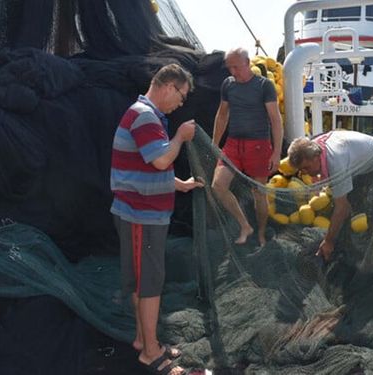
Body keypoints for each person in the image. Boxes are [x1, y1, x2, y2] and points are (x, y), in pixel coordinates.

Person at [110, 63, 203, 375]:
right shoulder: (145, 116)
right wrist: (180, 136)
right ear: (169, 86)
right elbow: (163, 158)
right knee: (148, 284)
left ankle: (142, 339)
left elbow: (150, 165)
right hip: (141, 218)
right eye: (181, 96)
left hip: (145, 216)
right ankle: (150, 353)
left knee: (143, 279)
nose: (180, 103)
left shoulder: (148, 115)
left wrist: (181, 185)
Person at [211, 47, 283, 246]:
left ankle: (260, 233)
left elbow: (275, 120)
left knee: (259, 193)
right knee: (218, 185)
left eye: (237, 67)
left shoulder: (264, 86)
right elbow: (222, 115)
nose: (233, 72)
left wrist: (276, 152)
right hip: (233, 144)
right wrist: (214, 144)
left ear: (248, 62)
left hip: (259, 145)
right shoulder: (228, 84)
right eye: (230, 68)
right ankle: (245, 225)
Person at [287, 130, 373, 262]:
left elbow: (342, 208)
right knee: (350, 202)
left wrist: (328, 241)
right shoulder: (313, 146)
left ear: (315, 158)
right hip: (356, 162)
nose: (305, 172)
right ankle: (346, 244)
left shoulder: (335, 161)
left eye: (306, 168)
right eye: (301, 170)